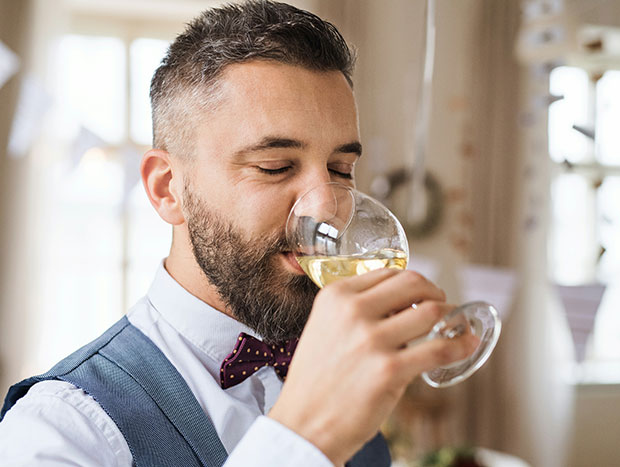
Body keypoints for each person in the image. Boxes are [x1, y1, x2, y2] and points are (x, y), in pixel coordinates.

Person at [0, 1, 476, 465]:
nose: (326, 205)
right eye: (275, 166)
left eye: (340, 168)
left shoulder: (352, 365)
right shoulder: (59, 430)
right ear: (168, 189)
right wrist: (305, 439)